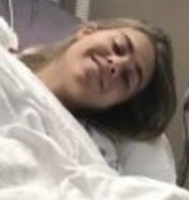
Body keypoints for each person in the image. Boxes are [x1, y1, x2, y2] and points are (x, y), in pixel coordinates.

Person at [19, 18, 177, 141]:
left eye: (127, 78)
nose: (116, 65)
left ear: (113, 105)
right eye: (118, 46)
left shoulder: (81, 154)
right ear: (87, 31)